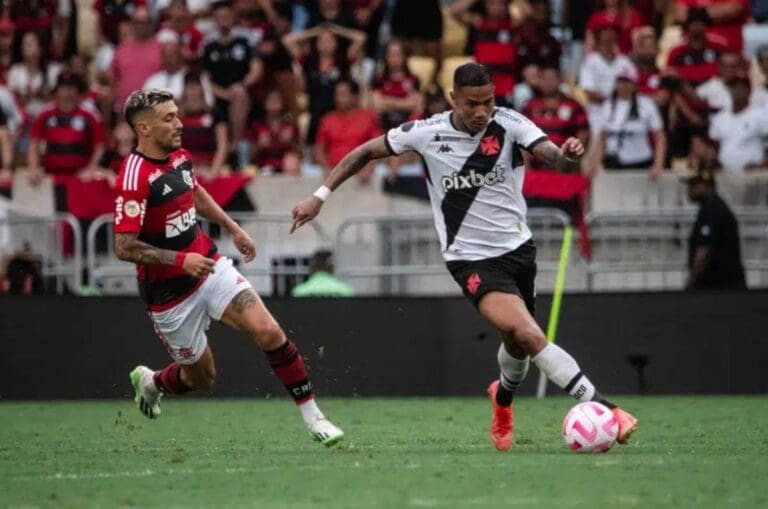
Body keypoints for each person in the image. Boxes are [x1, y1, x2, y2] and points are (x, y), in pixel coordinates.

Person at [291, 63, 638, 452]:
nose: (481, 112)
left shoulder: (508, 122)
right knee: (528, 333)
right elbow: (364, 152)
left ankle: (502, 401)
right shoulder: (426, 132)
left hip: (518, 251)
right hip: (469, 260)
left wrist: (570, 154)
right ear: (453, 98)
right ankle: (604, 406)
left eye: (488, 101)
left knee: (518, 343)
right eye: (472, 103)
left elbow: (555, 158)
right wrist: (319, 197)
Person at [114, 88, 343, 445]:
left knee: (268, 331)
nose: (179, 124)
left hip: (209, 267)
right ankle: (152, 382)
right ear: (143, 129)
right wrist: (179, 260)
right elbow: (123, 246)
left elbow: (194, 191)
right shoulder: (134, 177)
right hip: (169, 295)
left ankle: (314, 417)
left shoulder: (179, 155)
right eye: (169, 118)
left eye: (177, 115)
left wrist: (232, 228)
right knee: (201, 378)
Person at [593, 66, 666, 179]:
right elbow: (602, 139)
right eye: (621, 82)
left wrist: (658, 164)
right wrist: (597, 165)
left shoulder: (646, 104)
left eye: (628, 82)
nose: (624, 86)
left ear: (634, 85)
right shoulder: (607, 106)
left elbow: (659, 137)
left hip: (640, 162)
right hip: (614, 162)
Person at [685, 168, 746, 290]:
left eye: (693, 185)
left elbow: (704, 251)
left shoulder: (712, 210)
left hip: (719, 287)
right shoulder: (713, 207)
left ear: (706, 186)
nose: (689, 190)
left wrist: (690, 282)